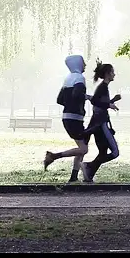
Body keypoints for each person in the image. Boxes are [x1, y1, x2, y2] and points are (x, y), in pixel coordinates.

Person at [43, 54, 91, 182]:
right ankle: (53, 156)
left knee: (81, 148)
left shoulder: (68, 78)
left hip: (68, 117)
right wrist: (87, 97)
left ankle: (74, 178)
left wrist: (70, 105)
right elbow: (77, 94)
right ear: (78, 64)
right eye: (83, 62)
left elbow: (59, 100)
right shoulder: (79, 78)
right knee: (83, 149)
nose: (85, 65)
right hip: (75, 118)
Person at [82, 62, 121, 183]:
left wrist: (112, 100)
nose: (114, 74)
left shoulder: (103, 87)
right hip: (101, 124)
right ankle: (88, 166)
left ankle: (89, 174)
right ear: (107, 74)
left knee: (103, 152)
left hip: (99, 124)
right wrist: (109, 104)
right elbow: (94, 101)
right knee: (114, 152)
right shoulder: (102, 87)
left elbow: (99, 102)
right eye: (112, 72)